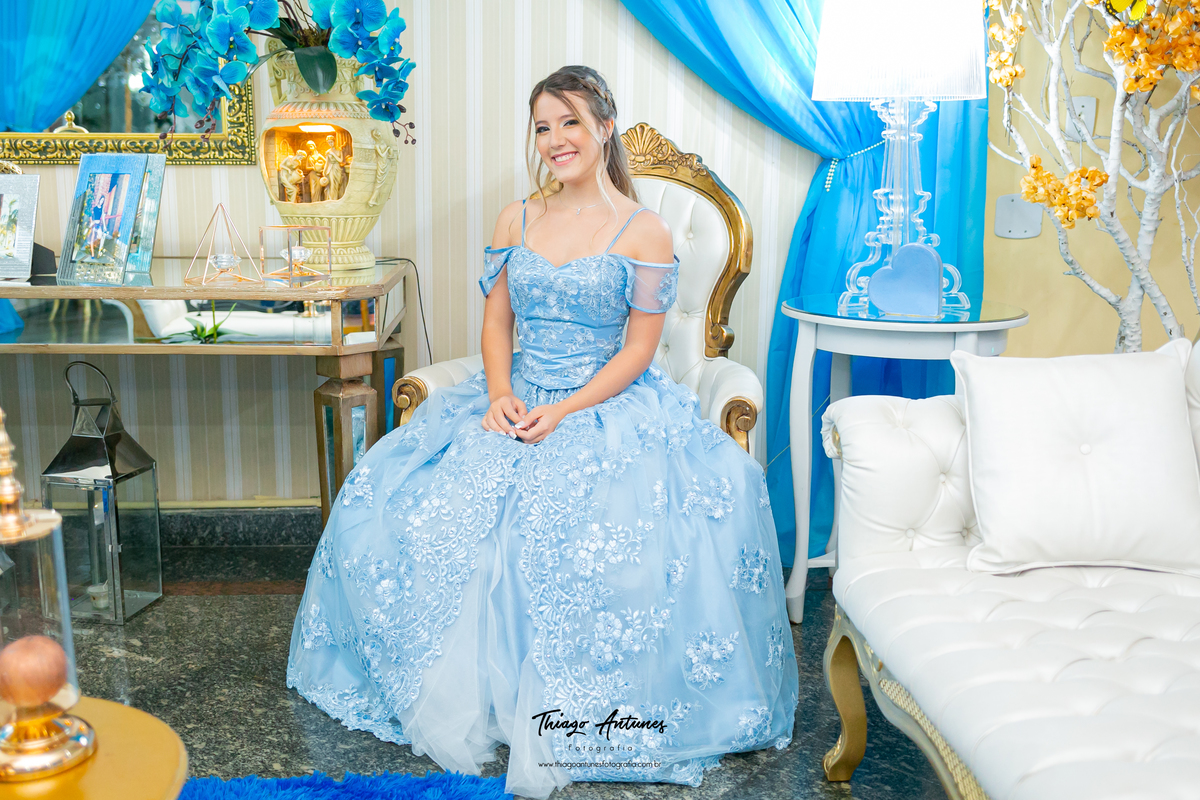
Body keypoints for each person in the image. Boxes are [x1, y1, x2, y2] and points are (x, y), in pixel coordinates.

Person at [287, 65, 797, 799]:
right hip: (515, 393)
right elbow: (497, 324)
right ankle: (469, 692)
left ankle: (566, 710)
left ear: (604, 127)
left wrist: (565, 410)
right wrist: (500, 394)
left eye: (570, 123)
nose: (557, 140)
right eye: (543, 127)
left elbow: (638, 351)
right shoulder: (515, 219)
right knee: (398, 500)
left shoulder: (644, 230)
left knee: (589, 532)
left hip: (603, 401)